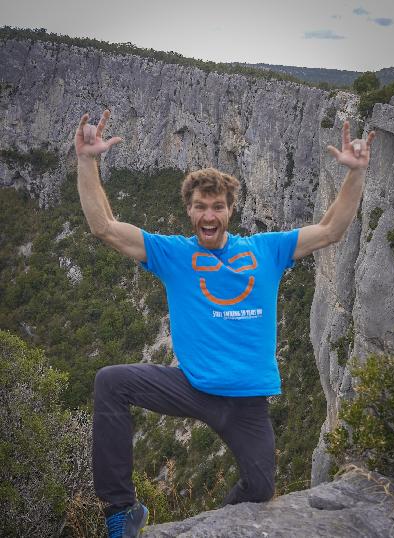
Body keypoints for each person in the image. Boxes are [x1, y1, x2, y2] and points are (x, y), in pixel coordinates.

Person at [74, 109, 375, 537]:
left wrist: (357, 173)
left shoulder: (267, 249)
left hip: (247, 403)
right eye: (200, 207)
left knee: (260, 487)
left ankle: (216, 525)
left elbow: (330, 230)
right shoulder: (173, 254)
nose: (209, 215)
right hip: (192, 386)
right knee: (111, 381)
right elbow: (103, 226)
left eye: (217, 207)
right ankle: (122, 512)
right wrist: (87, 160)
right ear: (190, 212)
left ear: (231, 210)